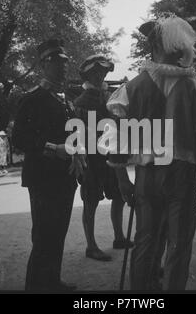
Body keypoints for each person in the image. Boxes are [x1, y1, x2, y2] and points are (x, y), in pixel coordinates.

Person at [102, 16, 196, 290]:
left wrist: (123, 180)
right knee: (179, 243)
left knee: (145, 240)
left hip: (147, 175)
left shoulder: (132, 88)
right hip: (181, 176)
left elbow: (118, 142)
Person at [12, 39, 86, 292]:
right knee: (44, 236)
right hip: (43, 177)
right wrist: (53, 149)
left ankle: (51, 280)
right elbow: (19, 138)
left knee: (58, 233)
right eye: (56, 62)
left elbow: (71, 133)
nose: (63, 67)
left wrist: (77, 149)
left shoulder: (64, 99)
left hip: (64, 176)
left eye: (64, 62)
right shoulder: (32, 98)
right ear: (44, 64)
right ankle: (35, 285)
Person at [73, 55, 133, 261]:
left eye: (103, 72)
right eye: (96, 72)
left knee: (118, 196)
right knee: (91, 200)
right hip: (92, 158)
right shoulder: (81, 102)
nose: (100, 75)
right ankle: (91, 245)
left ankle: (119, 236)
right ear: (88, 74)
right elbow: (79, 135)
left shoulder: (110, 97)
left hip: (112, 155)